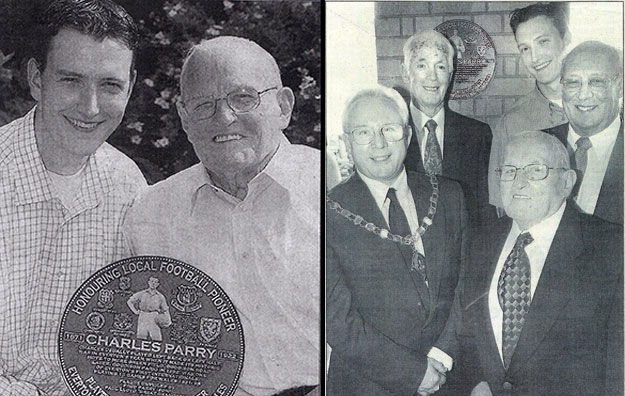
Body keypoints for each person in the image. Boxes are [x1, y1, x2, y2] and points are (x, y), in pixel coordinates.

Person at [124, 36, 319, 396]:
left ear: (283, 105)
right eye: (204, 105)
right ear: (184, 118)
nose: (224, 117)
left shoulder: (332, 187)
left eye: (243, 98)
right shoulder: (151, 214)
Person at [0, 1, 145, 395]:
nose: (91, 107)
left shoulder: (129, 186)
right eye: (71, 80)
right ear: (35, 78)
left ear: (130, 87)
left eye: (110, 85)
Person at [452, 131, 623, 396]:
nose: (518, 183)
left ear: (567, 182)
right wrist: (476, 382)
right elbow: (467, 335)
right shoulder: (480, 241)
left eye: (535, 171)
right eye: (509, 171)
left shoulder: (610, 248)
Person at [326, 85, 467, 396]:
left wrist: (442, 353)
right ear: (347, 142)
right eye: (363, 132)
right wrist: (414, 373)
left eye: (388, 129)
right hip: (366, 385)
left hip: (448, 375)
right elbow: (337, 321)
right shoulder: (327, 214)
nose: (378, 143)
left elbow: (467, 284)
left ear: (407, 133)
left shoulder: (449, 196)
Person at [401, 30, 493, 229]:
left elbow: (485, 211)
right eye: (422, 65)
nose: (432, 77)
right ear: (405, 72)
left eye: (441, 67)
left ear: (450, 75)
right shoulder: (391, 135)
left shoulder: (477, 135)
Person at [489, 3, 570, 210]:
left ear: (566, 39)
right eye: (525, 48)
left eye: (543, 42)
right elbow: (503, 206)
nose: (535, 58)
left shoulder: (604, 110)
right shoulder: (512, 123)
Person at [544, 41, 623, 225]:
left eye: (596, 82)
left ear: (619, 86)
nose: (583, 95)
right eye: (573, 82)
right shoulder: (539, 143)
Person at [127, 276, 172, 341]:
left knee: (156, 338)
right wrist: (135, 311)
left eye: (155, 282)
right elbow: (130, 301)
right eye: (152, 281)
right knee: (141, 336)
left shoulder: (160, 297)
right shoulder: (142, 293)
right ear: (149, 282)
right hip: (143, 315)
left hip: (154, 316)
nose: (153, 283)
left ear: (158, 284)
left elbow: (165, 309)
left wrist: (168, 320)